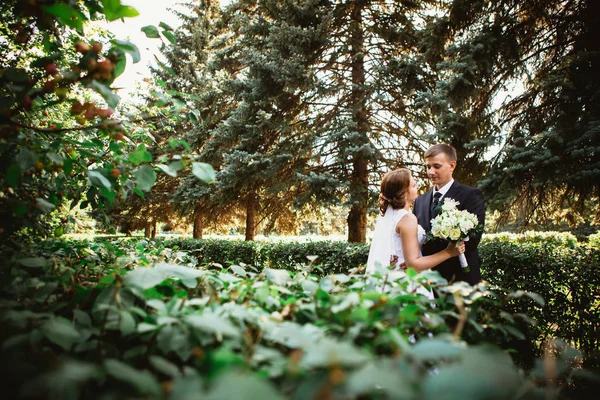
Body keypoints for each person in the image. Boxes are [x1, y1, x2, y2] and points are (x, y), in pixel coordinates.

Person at [366, 168, 465, 275]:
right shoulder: (407, 218)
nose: (417, 186)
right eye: (413, 185)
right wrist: (449, 252)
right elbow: (413, 265)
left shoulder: (389, 215)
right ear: (403, 193)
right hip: (407, 280)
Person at [413, 143, 485, 285]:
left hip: (460, 278)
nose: (431, 172)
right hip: (427, 280)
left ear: (452, 166)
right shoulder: (419, 201)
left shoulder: (471, 195)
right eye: (428, 167)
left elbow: (473, 238)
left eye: (436, 166)